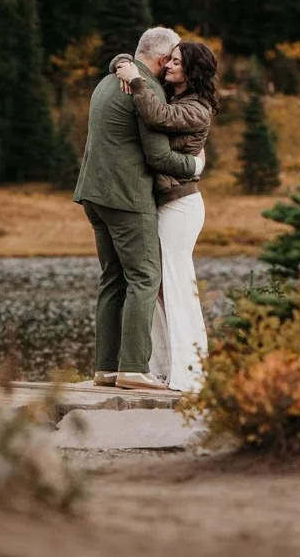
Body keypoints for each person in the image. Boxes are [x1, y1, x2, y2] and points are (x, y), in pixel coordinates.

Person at [72, 27, 204, 392]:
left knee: (112, 279)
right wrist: (194, 167)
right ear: (163, 61)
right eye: (173, 59)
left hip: (93, 194)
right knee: (145, 277)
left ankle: (106, 368)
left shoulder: (106, 83)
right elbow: (158, 155)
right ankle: (132, 369)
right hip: (127, 198)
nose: (173, 66)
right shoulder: (145, 90)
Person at [111, 40, 218, 393]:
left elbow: (159, 117)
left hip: (181, 206)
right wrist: (125, 62)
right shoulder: (175, 97)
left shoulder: (198, 108)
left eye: (177, 62)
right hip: (166, 203)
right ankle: (161, 367)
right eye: (168, 60)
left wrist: (137, 80)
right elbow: (134, 64)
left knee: (174, 283)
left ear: (193, 70)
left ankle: (191, 373)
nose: (170, 66)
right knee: (156, 286)